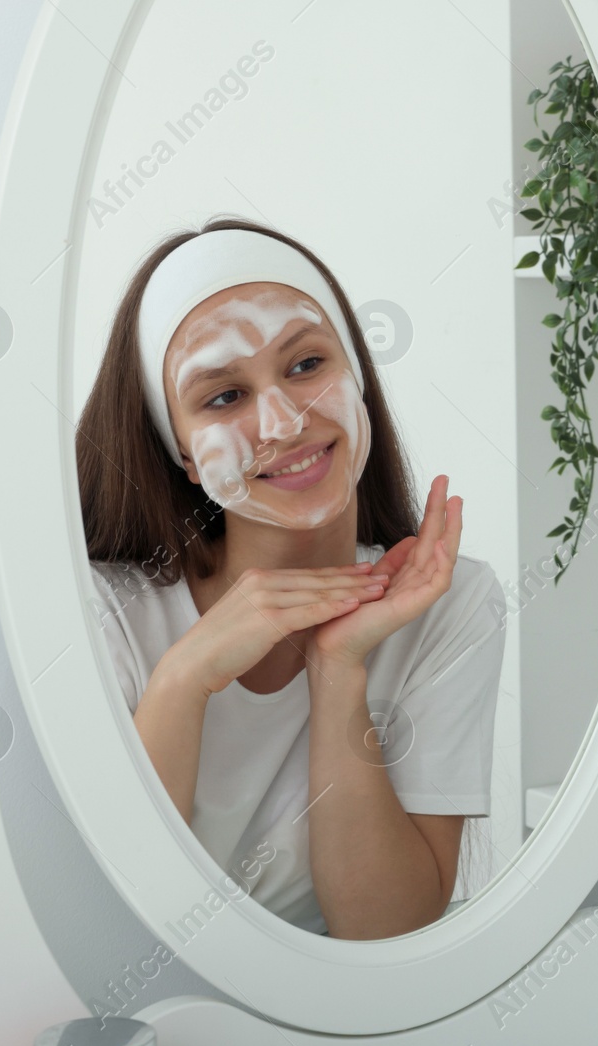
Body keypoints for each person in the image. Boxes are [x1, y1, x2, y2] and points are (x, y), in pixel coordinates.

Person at [76, 217, 505, 940]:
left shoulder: (446, 602)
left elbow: (384, 928)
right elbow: (107, 913)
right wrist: (184, 678)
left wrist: (338, 667)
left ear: (358, 377)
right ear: (181, 452)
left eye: (306, 365)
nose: (282, 421)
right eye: (223, 397)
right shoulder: (106, 611)